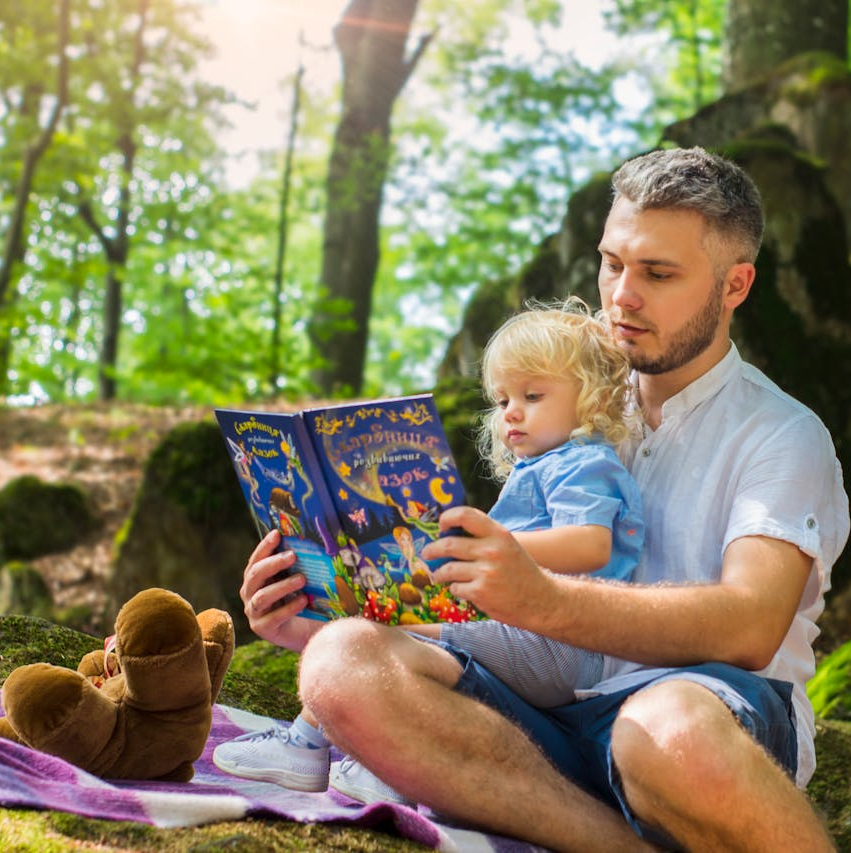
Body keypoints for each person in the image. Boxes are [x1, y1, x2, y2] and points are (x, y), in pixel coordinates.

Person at [235, 147, 850, 851]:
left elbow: (751, 624)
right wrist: (315, 605)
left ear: (734, 284)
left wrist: (538, 597)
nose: (622, 295)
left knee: (666, 728)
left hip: (703, 716)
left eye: (657, 273)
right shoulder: (565, 401)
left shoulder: (781, 434)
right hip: (541, 713)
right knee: (340, 659)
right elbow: (486, 604)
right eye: (612, 263)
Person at [213, 301, 644, 798]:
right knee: (384, 626)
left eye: (532, 395)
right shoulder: (545, 466)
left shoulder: (584, 463)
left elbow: (591, 544)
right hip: (528, 633)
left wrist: (489, 547)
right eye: (502, 399)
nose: (511, 412)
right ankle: (360, 755)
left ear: (593, 398)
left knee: (391, 633)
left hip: (556, 645)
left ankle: (321, 749)